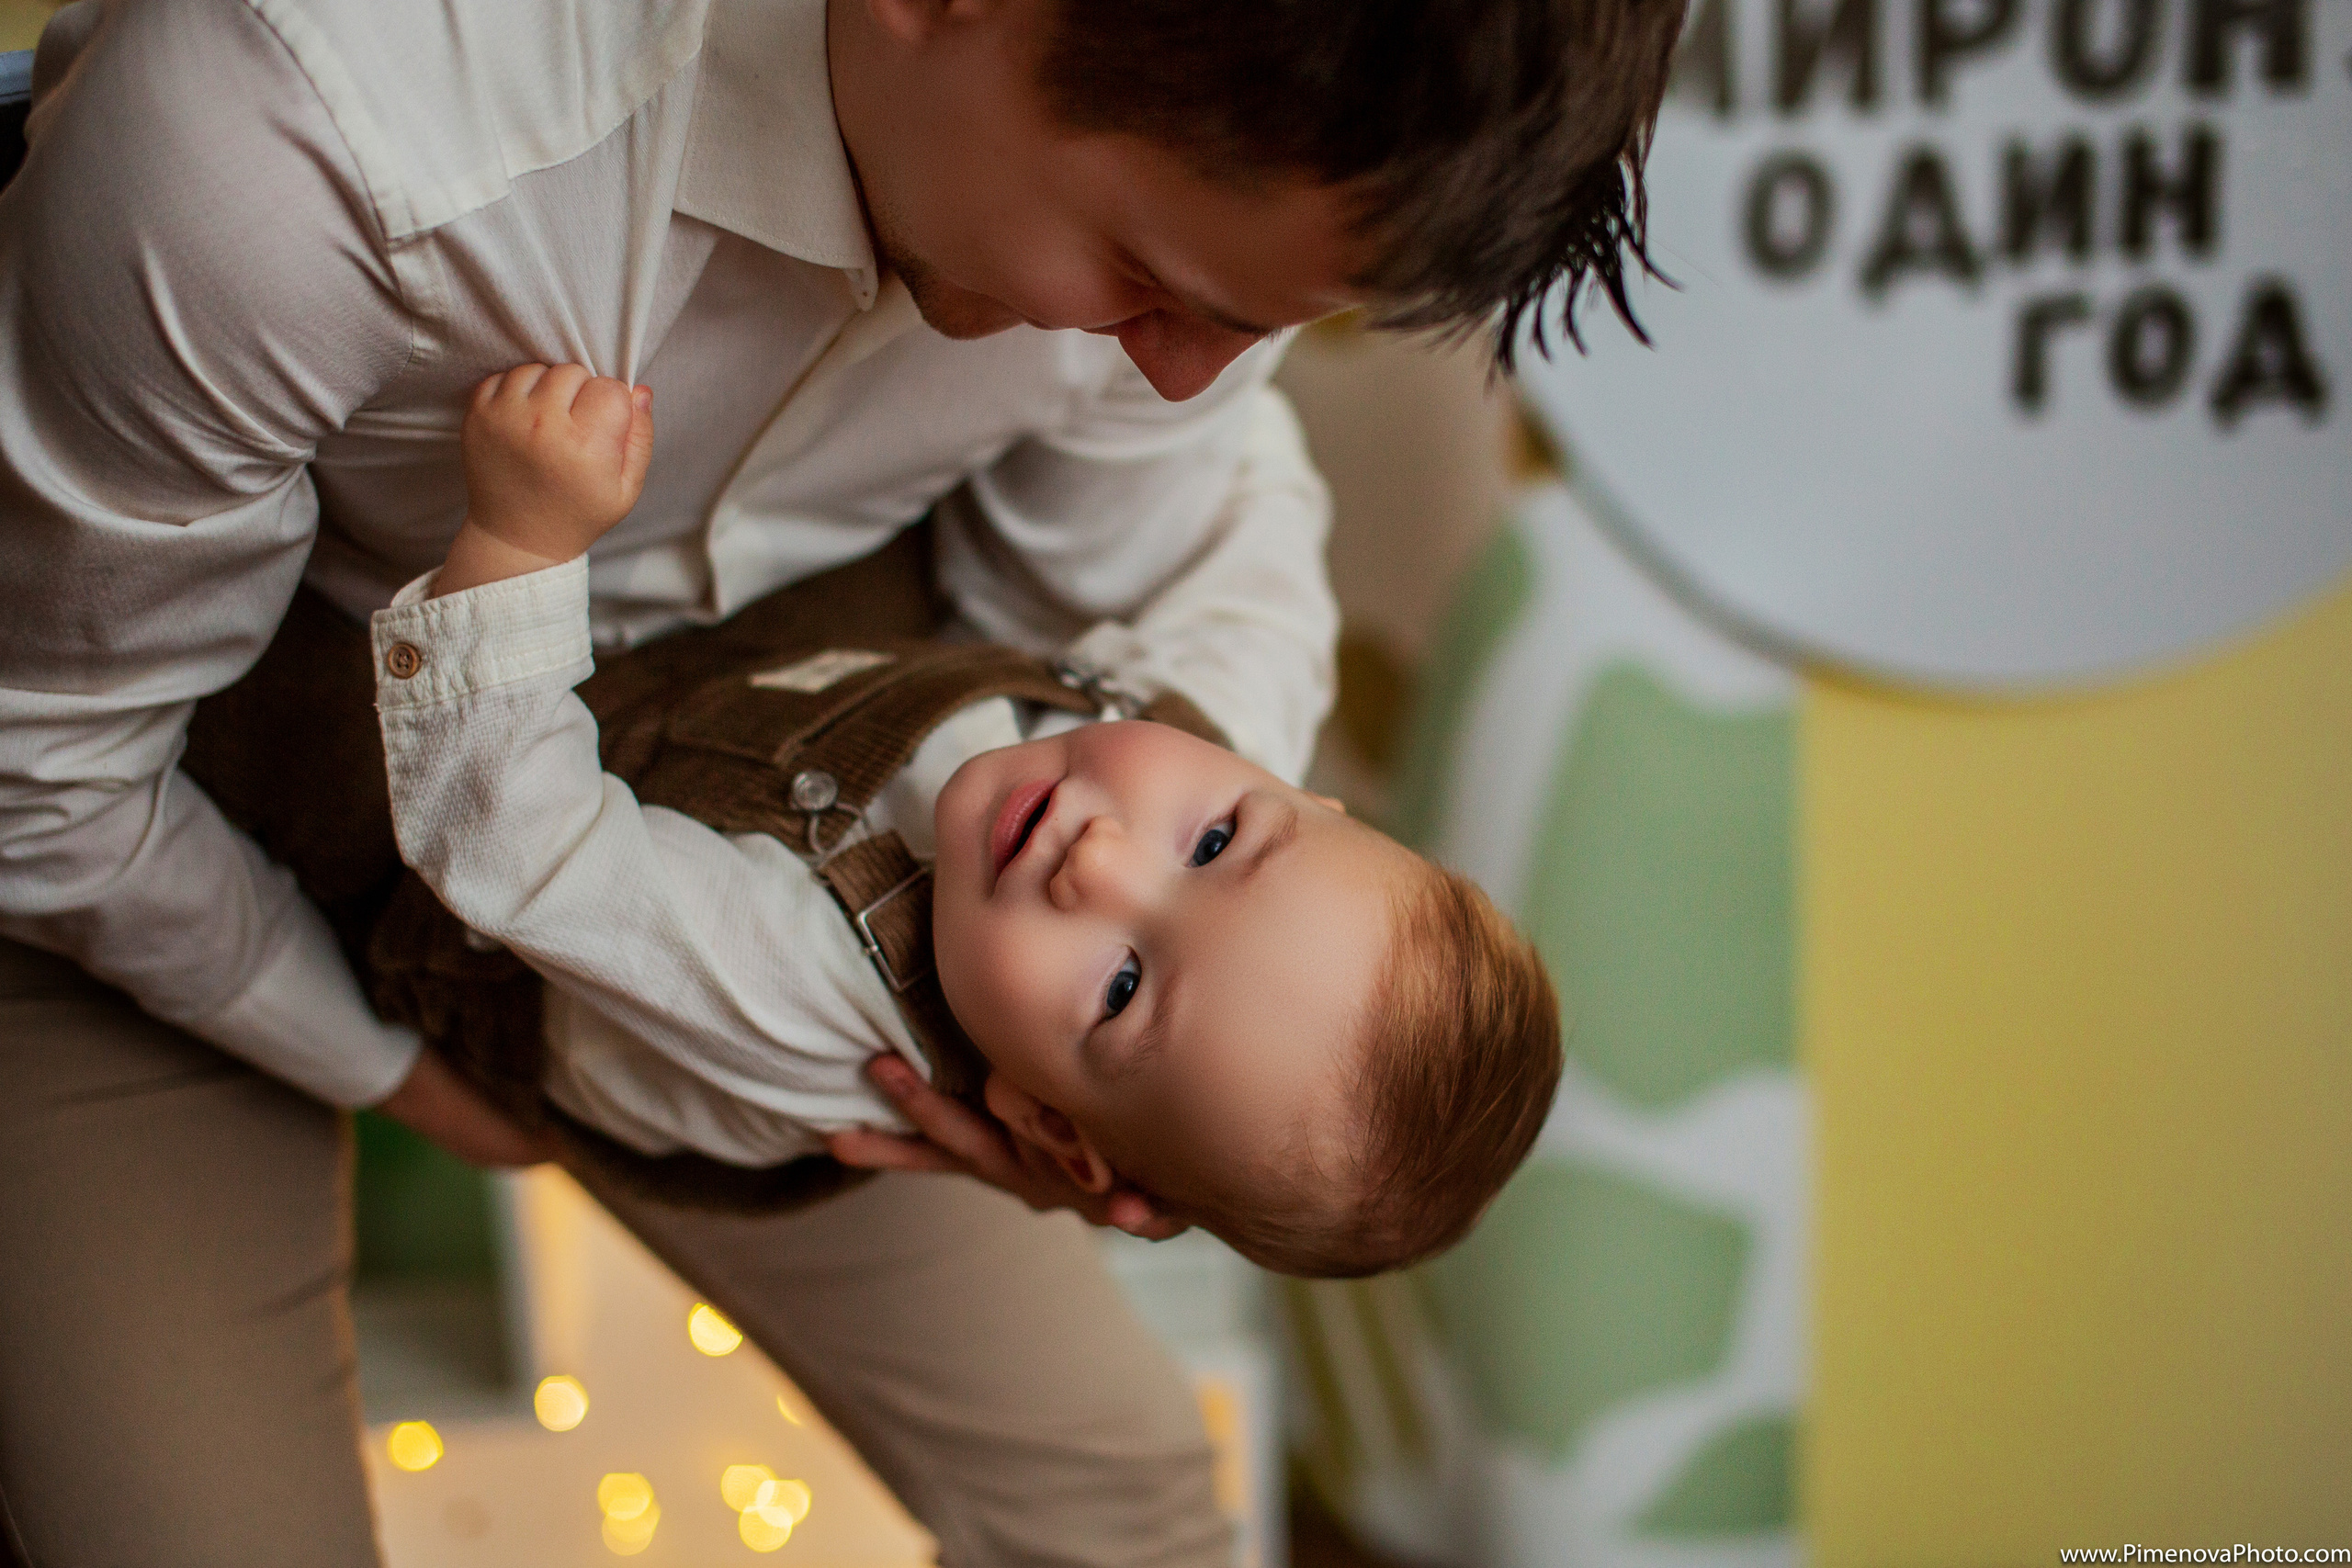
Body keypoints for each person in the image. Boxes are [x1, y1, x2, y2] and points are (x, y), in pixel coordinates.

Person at [0, 0, 1681, 1560]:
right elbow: (50, 780)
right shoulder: (294, 130)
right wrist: (390, 1063)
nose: (1185, 372)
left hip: (749, 817)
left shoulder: (1180, 255)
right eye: (1149, 278)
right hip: (172, 796)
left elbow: (1187, 566)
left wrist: (1115, 1069)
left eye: (1251, 326)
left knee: (1125, 1490)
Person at [380, 362, 1559, 1276]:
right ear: (1300, 793)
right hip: (771, 684)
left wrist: (521, 549)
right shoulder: (1227, 733)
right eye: (1212, 847)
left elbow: (522, 849)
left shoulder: (814, 997)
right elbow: (1250, 495)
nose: (1095, 861)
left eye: (1123, 988)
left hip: (468, 903)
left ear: (1046, 1126)